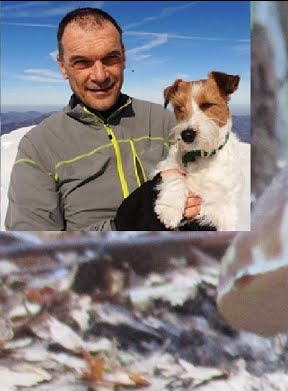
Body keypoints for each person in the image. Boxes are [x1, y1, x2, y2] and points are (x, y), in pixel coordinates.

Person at [5, 8, 200, 231]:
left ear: (124, 57)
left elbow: (208, 176)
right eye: (81, 62)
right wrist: (125, 225)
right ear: (62, 66)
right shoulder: (39, 147)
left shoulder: (162, 121)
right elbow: (32, 250)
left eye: (110, 58)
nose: (100, 75)